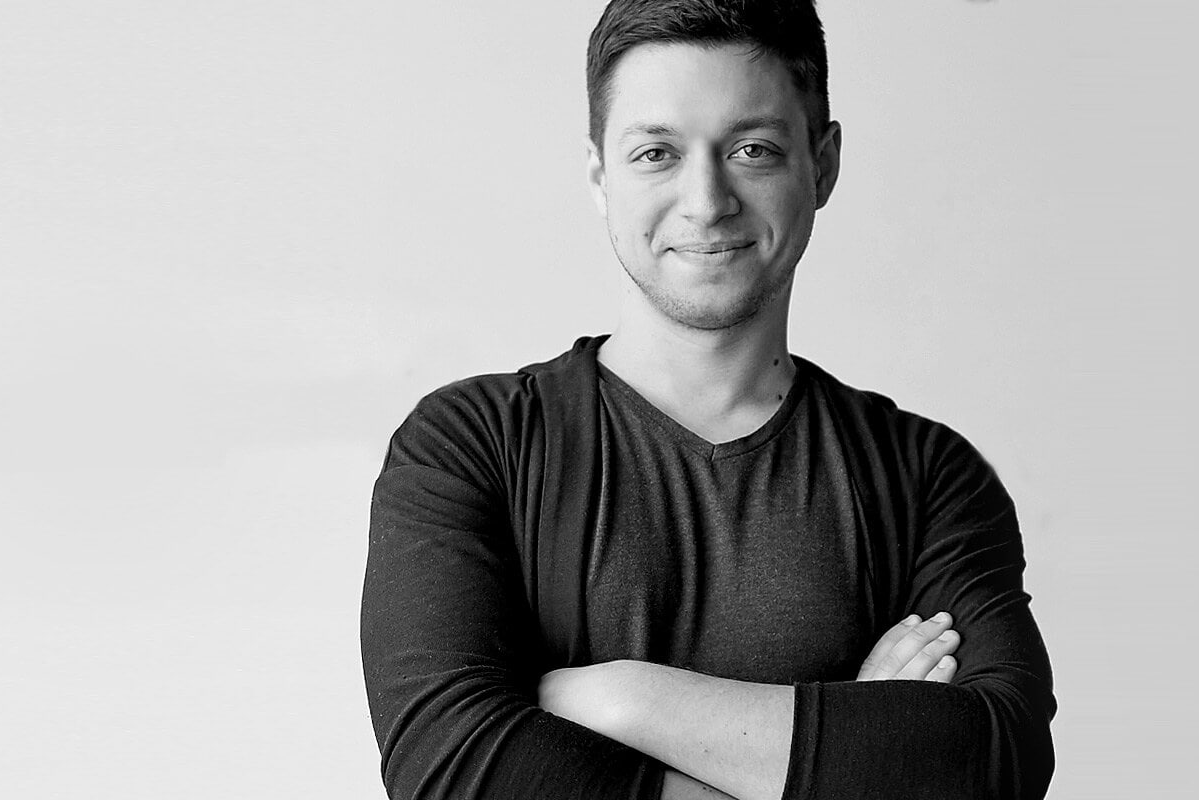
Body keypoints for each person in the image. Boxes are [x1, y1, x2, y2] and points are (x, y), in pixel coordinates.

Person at [360, 1, 1056, 798]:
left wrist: (623, 698)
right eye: (656, 153)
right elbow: (452, 770)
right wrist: (848, 758)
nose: (705, 200)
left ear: (823, 165)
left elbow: (998, 762)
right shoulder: (473, 444)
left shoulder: (927, 476)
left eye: (752, 149)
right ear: (601, 176)